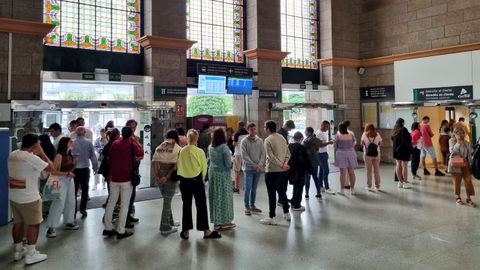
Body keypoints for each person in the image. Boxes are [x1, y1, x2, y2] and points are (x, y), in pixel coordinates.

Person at [8, 133, 56, 264]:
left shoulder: (13, 154)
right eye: (39, 143)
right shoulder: (32, 158)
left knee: (18, 222)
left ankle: (18, 251)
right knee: (34, 224)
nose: (40, 145)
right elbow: (51, 167)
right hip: (30, 197)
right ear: (35, 144)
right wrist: (41, 153)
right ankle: (31, 253)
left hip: (14, 195)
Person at [177, 129, 221, 240]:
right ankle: (206, 231)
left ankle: (186, 231)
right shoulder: (200, 151)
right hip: (197, 181)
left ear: (187, 138)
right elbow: (204, 168)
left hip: (184, 181)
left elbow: (179, 166)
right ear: (197, 139)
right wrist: (202, 178)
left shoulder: (182, 151)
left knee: (186, 206)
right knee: (201, 205)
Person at [103, 127, 144, 239]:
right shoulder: (131, 145)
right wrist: (135, 141)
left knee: (112, 202)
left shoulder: (115, 143)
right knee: (124, 205)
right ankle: (121, 230)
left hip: (114, 177)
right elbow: (141, 153)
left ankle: (107, 228)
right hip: (126, 179)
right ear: (131, 135)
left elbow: (109, 158)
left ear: (121, 133)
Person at [46, 137, 79, 238]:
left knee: (71, 201)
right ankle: (51, 227)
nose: (72, 143)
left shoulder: (69, 154)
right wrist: (66, 173)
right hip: (60, 180)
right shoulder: (59, 156)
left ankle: (69, 221)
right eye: (70, 142)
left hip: (69, 180)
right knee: (58, 203)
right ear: (65, 144)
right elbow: (53, 171)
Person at [260, 120, 291, 225]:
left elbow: (270, 157)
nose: (264, 128)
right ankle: (287, 213)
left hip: (272, 171)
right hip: (283, 171)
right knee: (282, 192)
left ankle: (272, 217)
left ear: (268, 128)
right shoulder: (282, 137)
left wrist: (281, 165)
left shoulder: (267, 140)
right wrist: (285, 164)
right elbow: (288, 153)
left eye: (265, 127)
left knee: (271, 194)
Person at [152, 129, 182, 235]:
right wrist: (167, 177)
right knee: (167, 201)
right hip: (170, 175)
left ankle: (170, 221)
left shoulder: (160, 147)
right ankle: (165, 227)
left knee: (166, 199)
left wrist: (157, 177)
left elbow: (154, 162)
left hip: (160, 172)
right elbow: (176, 165)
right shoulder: (178, 148)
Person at [208, 128, 235, 230]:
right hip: (223, 175)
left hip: (213, 174)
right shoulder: (224, 147)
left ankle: (216, 222)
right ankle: (225, 222)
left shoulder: (210, 147)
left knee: (215, 198)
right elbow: (228, 164)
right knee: (224, 198)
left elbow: (209, 161)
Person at [71, 126, 98, 218]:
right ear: (85, 132)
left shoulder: (72, 142)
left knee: (73, 190)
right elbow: (93, 156)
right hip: (85, 168)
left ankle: (73, 210)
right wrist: (95, 167)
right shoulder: (89, 142)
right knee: (85, 189)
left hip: (74, 169)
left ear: (76, 133)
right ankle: (83, 208)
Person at [241, 123, 265, 216]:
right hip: (248, 169)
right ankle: (247, 207)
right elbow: (244, 155)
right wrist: (253, 165)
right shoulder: (244, 141)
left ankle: (253, 205)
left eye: (254, 129)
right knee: (248, 188)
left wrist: (259, 164)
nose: (253, 131)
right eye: (251, 129)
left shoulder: (260, 140)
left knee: (254, 188)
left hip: (258, 168)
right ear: (248, 130)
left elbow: (263, 153)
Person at [448, 126, 476, 206]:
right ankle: (458, 197)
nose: (460, 134)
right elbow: (452, 152)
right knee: (457, 181)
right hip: (455, 164)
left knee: (468, 181)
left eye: (462, 133)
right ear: (454, 134)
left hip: (465, 163)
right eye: (458, 133)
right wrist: (458, 142)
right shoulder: (451, 141)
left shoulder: (467, 143)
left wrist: (471, 166)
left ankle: (469, 198)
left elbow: (470, 155)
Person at [125, 119, 143, 224]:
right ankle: (125, 218)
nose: (133, 129)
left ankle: (128, 215)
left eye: (134, 127)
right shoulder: (126, 139)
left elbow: (140, 153)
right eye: (131, 127)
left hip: (135, 169)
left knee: (132, 194)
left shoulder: (135, 138)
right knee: (127, 195)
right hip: (127, 169)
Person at [288, 132, 311, 211]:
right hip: (300, 170)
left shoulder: (289, 146)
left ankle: (293, 201)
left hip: (290, 170)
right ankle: (297, 205)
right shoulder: (301, 147)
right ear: (301, 139)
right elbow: (306, 160)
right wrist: (310, 170)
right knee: (299, 187)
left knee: (295, 186)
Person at [334, 123, 358, 195]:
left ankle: (342, 190)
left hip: (341, 154)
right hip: (351, 153)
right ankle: (352, 189)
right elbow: (354, 143)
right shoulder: (351, 135)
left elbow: (335, 145)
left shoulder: (338, 136)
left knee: (342, 174)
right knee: (351, 173)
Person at [315, 121, 335, 194]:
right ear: (322, 125)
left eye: (328, 126)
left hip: (323, 153)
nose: (328, 128)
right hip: (320, 154)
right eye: (327, 126)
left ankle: (320, 186)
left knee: (321, 171)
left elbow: (322, 143)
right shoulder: (318, 133)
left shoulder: (323, 133)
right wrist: (329, 142)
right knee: (326, 170)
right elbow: (320, 145)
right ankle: (327, 187)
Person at [361, 123, 382, 192]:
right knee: (377, 170)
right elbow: (381, 144)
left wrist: (366, 143)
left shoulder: (364, 134)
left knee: (368, 171)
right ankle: (377, 186)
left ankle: (369, 186)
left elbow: (362, 143)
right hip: (376, 153)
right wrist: (376, 144)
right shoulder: (377, 134)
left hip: (367, 154)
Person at [392, 118, 413, 189]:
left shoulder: (394, 130)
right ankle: (405, 182)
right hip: (404, 150)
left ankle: (400, 182)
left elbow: (392, 139)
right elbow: (409, 138)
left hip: (396, 150)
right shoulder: (403, 129)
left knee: (398, 165)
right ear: (402, 123)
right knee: (404, 166)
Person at [303, 127, 321, 199]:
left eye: (306, 131)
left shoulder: (306, 140)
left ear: (309, 132)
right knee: (315, 177)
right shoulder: (316, 139)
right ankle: (318, 193)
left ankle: (307, 193)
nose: (305, 132)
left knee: (307, 178)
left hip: (308, 162)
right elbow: (317, 149)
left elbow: (305, 151)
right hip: (315, 161)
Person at [233, 121, 248, 193]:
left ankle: (236, 188)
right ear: (244, 125)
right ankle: (246, 187)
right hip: (245, 154)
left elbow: (235, 144)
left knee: (237, 171)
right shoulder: (248, 133)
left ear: (238, 126)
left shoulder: (237, 133)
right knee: (246, 170)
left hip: (238, 154)